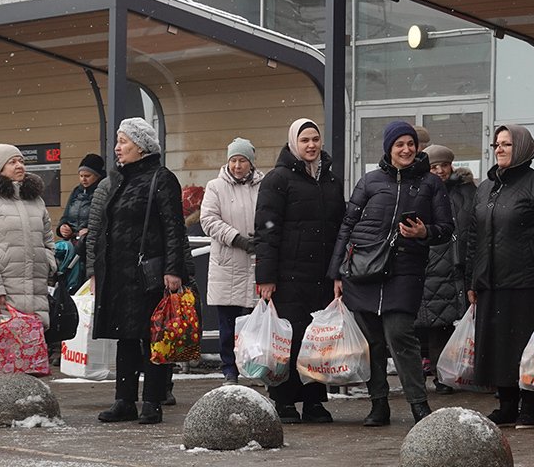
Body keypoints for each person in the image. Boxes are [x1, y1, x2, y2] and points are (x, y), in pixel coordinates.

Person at [330, 121, 454, 426]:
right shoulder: (369, 181)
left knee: (400, 334)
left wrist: (425, 231)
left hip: (405, 271)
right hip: (364, 271)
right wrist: (336, 272)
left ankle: (418, 404)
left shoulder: (430, 184)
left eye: (410, 144)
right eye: (399, 144)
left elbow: (446, 229)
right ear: (388, 148)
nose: (407, 149)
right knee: (371, 340)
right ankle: (378, 404)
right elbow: (347, 226)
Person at [87, 117, 190, 425]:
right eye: (118, 142)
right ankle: (124, 400)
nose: (118, 148)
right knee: (125, 336)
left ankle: (152, 402)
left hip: (149, 274)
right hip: (119, 274)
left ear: (142, 148)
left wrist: (173, 269)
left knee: (153, 335)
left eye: (124, 142)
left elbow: (174, 227)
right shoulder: (122, 179)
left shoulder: (161, 178)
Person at [466, 124, 534, 428]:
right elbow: (474, 236)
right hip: (490, 282)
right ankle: (506, 404)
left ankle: (529, 407)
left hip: (528, 281)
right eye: (497, 144)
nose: (499, 149)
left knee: (525, 347)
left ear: (521, 148)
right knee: (497, 347)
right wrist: (472, 279)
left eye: (506, 144)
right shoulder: (485, 188)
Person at [254, 118, 346, 424]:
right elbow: (266, 231)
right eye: (305, 140)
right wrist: (265, 278)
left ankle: (314, 402)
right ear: (294, 142)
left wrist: (338, 273)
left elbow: (339, 229)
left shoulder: (331, 181)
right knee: (288, 341)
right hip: (287, 276)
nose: (311, 145)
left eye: (315, 139)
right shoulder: (277, 180)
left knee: (317, 341)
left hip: (321, 277)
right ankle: (283, 401)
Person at [0, 144, 56, 389]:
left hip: (34, 288)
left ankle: (26, 401)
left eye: (21, 161)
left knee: (29, 348)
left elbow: (48, 237)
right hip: (0, 291)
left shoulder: (35, 201)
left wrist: (49, 262)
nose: (20, 166)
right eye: (12, 162)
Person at [200, 137, 263, 385]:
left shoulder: (264, 185)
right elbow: (209, 220)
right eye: (234, 160)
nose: (238, 166)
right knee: (228, 323)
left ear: (251, 163)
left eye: (243, 160)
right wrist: (237, 239)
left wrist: (264, 236)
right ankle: (230, 370)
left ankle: (256, 367)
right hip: (228, 263)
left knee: (256, 322)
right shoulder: (215, 186)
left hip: (256, 264)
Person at [415, 143, 475, 394]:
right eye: (434, 166)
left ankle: (460, 373)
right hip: (433, 266)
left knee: (458, 325)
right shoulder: (421, 191)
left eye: (444, 165)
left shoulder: (467, 192)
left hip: (459, 266)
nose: (439, 170)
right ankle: (441, 377)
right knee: (436, 327)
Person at [57, 153, 105, 288]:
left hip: (90, 247)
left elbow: (104, 218)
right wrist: (63, 227)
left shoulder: (102, 192)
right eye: (81, 176)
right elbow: (65, 216)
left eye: (87, 176)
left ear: (97, 176)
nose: (83, 179)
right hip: (73, 244)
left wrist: (90, 231)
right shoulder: (76, 192)